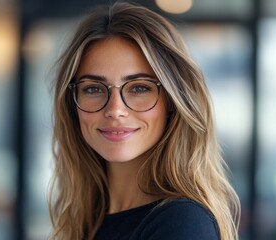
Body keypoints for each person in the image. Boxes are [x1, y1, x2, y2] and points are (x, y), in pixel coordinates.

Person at [49, 2, 240, 240]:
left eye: (139, 88)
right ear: (72, 103)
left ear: (172, 101)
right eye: (93, 89)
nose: (115, 110)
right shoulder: (89, 222)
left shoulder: (181, 223)